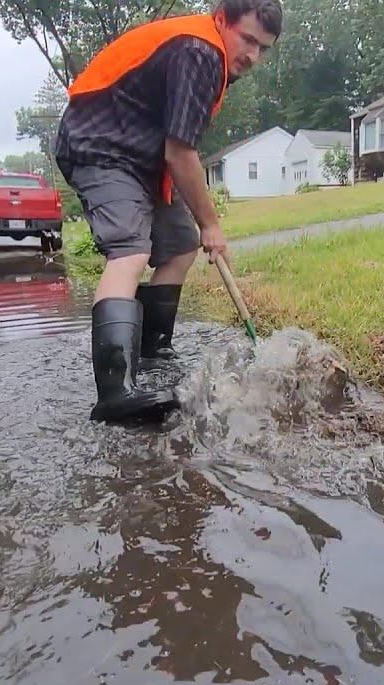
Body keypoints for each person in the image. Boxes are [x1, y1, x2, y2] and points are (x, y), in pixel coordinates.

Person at [54, 0, 283, 424]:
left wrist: (200, 227)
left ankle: (153, 352)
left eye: (263, 48)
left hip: (143, 155)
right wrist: (211, 224)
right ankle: (115, 392)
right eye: (248, 39)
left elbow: (174, 145)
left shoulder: (214, 59)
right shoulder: (201, 50)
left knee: (180, 245)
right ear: (221, 19)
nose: (253, 55)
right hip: (99, 145)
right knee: (130, 251)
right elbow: (181, 152)